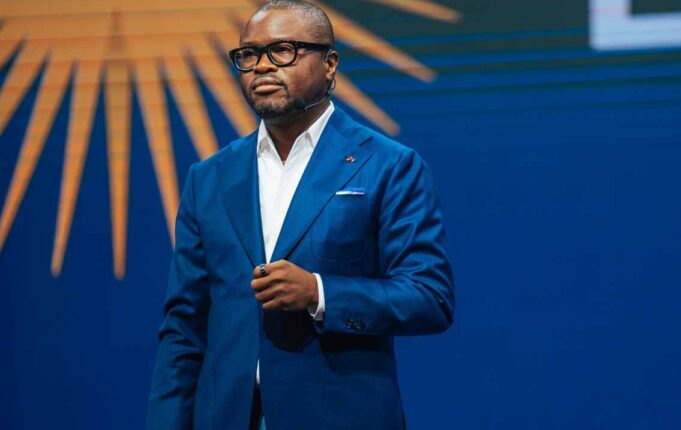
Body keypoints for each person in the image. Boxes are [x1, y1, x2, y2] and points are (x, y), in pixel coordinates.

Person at [146, 1, 454, 429]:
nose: (262, 66)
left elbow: (428, 297)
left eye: (283, 50)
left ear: (330, 65)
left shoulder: (389, 165)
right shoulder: (210, 177)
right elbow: (184, 327)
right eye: (249, 55)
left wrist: (318, 293)